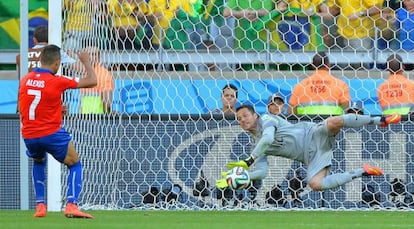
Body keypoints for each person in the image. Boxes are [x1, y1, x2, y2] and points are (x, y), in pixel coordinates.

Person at [216, 104, 401, 191]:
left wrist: (249, 161)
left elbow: (268, 138)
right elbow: (263, 171)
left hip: (313, 133)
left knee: (334, 121)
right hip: (311, 156)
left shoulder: (267, 119)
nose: (242, 120)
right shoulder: (255, 145)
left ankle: (380, 120)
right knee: (315, 184)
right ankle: (362, 172)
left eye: (245, 115)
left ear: (255, 115)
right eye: (239, 119)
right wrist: (246, 176)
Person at [18, 45, 97, 218]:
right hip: (51, 133)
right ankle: (71, 205)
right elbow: (92, 81)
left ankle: (40, 206)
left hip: (29, 134)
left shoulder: (26, 79)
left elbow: (25, 106)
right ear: (57, 63)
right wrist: (86, 62)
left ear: (40, 60)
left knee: (38, 161)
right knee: (74, 163)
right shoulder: (58, 80)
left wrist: (56, 109)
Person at [73, 46, 114, 114]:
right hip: (83, 116)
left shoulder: (103, 74)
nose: (91, 57)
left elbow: (107, 102)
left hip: (97, 117)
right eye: (89, 54)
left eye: (94, 54)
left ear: (99, 57)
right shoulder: (83, 72)